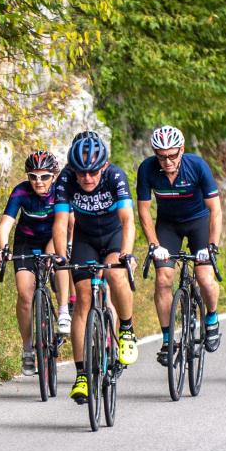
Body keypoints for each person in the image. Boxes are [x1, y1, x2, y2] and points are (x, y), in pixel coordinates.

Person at [52, 134, 137, 405]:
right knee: (84, 299)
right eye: (81, 173)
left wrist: (126, 253)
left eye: (92, 172)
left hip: (113, 237)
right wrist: (60, 255)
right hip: (85, 240)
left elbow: (127, 221)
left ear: (104, 165)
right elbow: (60, 221)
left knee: (115, 273)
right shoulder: (65, 179)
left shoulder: (115, 176)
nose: (87, 178)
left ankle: (126, 329)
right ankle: (81, 375)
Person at [136, 125, 224, 365]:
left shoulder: (197, 166)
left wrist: (212, 246)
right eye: (161, 156)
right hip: (168, 225)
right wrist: (154, 244)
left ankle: (212, 319)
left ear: (182, 150)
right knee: (164, 278)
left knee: (205, 277)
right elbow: (143, 212)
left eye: (173, 155)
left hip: (199, 222)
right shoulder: (147, 169)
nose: (167, 161)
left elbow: (215, 209)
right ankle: (167, 340)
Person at [0, 151, 67, 374]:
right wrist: (3, 247)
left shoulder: (60, 192)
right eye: (33, 176)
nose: (38, 181)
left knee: (55, 261)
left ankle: (64, 309)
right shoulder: (20, 191)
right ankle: (27, 348)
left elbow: (66, 224)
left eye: (44, 176)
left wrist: (63, 247)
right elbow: (6, 222)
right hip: (25, 240)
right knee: (25, 294)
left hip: (52, 237)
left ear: (54, 176)